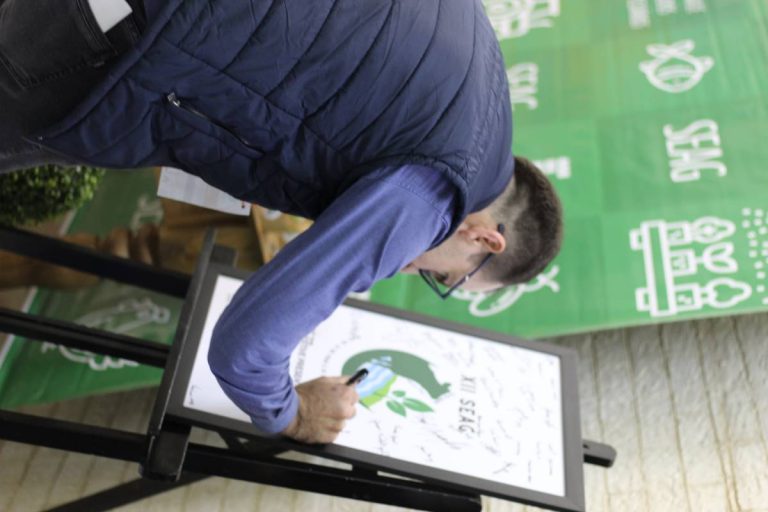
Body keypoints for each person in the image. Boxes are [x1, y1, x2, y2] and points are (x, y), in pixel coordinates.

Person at [0, 0, 563, 443]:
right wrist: (293, 414)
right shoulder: (438, 193)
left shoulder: (481, 61)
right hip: (125, 33)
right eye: (443, 276)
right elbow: (245, 347)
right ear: (484, 238)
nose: (409, 267)